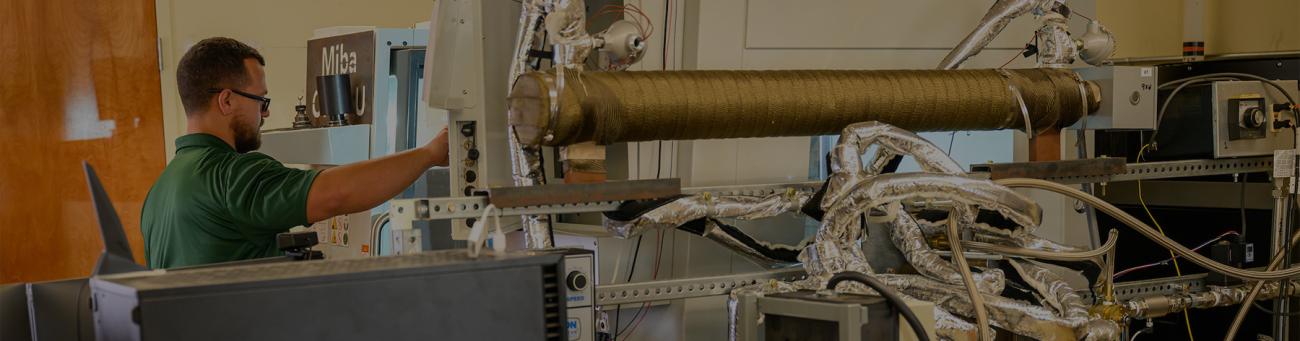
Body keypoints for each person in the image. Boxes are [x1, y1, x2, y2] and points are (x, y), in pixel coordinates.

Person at [141, 37, 449, 269]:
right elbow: (335, 194)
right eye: (261, 101)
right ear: (226, 101)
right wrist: (430, 153)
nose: (266, 114)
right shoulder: (232, 175)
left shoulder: (160, 190)